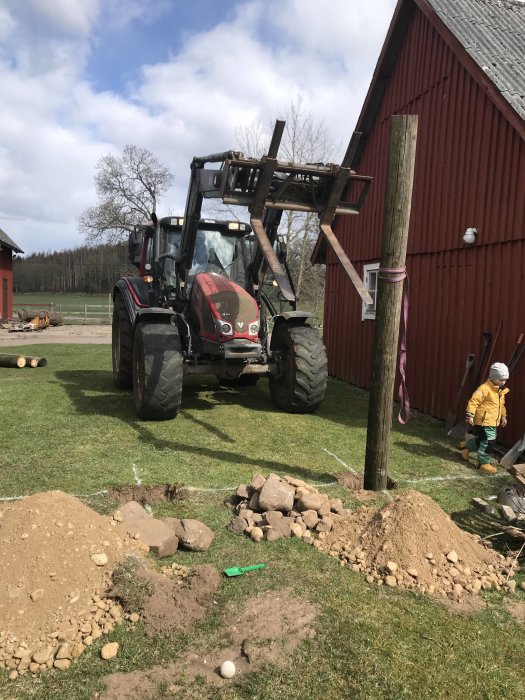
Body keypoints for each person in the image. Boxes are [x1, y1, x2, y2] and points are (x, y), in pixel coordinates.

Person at [460, 362, 509, 474]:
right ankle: (483, 463)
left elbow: (501, 406)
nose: (503, 382)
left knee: (482, 439)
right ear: (493, 377)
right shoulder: (484, 389)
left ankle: (466, 447)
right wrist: (470, 415)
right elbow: (473, 402)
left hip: (492, 421)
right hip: (483, 421)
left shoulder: (500, 391)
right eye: (501, 380)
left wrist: (503, 416)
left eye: (505, 379)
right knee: (489, 441)